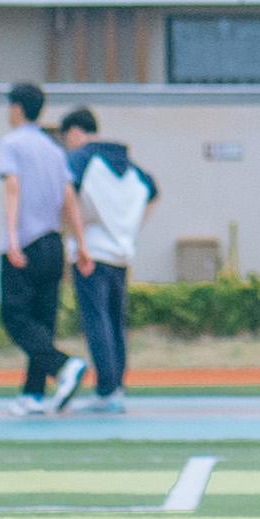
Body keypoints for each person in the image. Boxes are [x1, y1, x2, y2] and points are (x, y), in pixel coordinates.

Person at [57, 106, 152, 418]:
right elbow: (152, 192)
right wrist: (130, 231)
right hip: (121, 252)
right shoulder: (131, 167)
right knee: (114, 321)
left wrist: (78, 239)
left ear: (74, 132)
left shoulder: (81, 159)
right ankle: (116, 387)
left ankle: (106, 389)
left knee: (96, 321)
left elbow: (65, 190)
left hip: (91, 252)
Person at [0, 81, 83, 417]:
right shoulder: (53, 148)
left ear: (17, 108)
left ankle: (62, 365)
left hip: (26, 241)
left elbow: (12, 188)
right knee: (43, 321)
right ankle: (33, 393)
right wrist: (81, 244)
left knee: (14, 316)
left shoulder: (11, 143)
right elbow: (68, 197)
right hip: (53, 242)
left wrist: (12, 239)